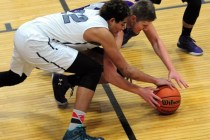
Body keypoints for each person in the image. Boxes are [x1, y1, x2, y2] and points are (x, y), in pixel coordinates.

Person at [0, 0, 175, 139]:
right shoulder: (103, 32)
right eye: (122, 24)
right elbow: (125, 70)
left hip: (26, 30)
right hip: (36, 41)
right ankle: (75, 131)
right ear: (112, 20)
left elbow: (116, 69)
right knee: (91, 70)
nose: (123, 29)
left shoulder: (97, 14)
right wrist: (150, 83)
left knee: (16, 77)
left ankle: (67, 87)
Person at [52, 0, 189, 108]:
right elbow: (111, 73)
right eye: (145, 25)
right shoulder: (118, 30)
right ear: (133, 18)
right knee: (112, 70)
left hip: (68, 30)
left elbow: (156, 41)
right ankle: (64, 81)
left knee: (116, 68)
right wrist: (142, 89)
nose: (146, 29)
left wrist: (172, 69)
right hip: (63, 43)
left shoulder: (131, 8)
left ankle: (66, 77)